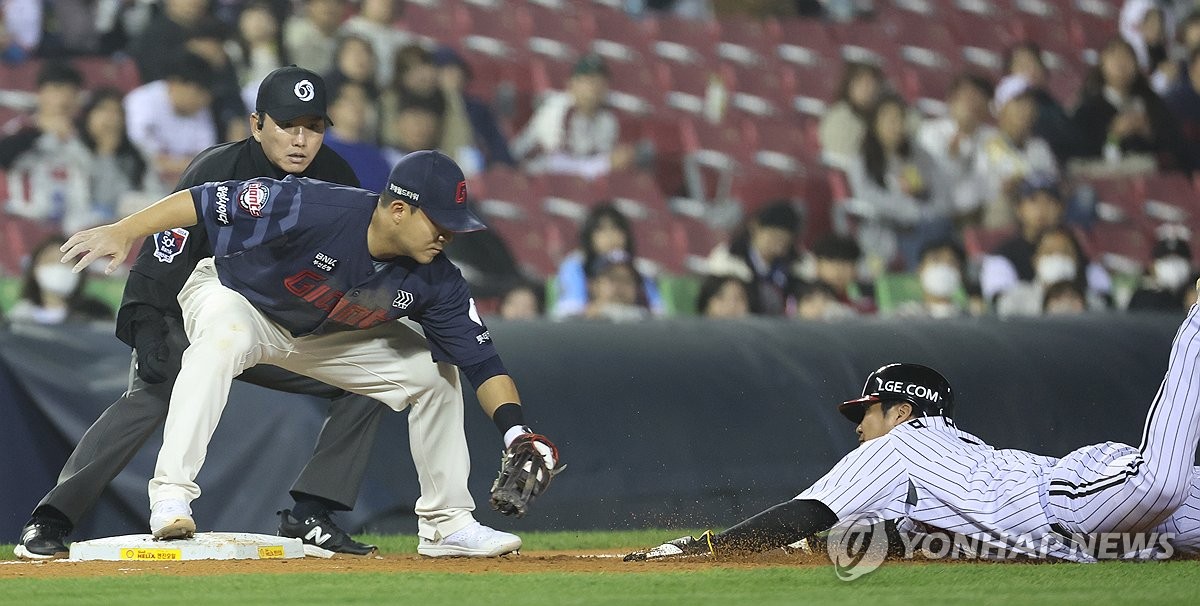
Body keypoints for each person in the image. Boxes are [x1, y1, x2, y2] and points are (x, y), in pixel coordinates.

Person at [60, 149, 559, 558]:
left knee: (435, 373)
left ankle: (446, 524)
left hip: (322, 337)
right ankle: (171, 494)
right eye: (440, 221)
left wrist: (517, 431)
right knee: (222, 338)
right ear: (399, 208)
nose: (448, 234)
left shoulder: (438, 278)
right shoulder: (312, 205)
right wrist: (124, 230)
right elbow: (203, 199)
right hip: (237, 297)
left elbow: (481, 360)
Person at [13, 67, 379, 562]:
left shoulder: (338, 179)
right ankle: (51, 518)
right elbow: (168, 250)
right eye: (288, 124)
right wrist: (146, 322)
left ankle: (312, 511)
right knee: (150, 393)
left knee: (373, 376)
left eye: (313, 127)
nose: (300, 139)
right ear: (256, 124)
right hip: (200, 315)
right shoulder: (218, 168)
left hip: (284, 328)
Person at [627, 356, 1200, 562]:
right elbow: (895, 539)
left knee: (1160, 482)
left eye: (867, 413)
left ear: (902, 413)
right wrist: (822, 547)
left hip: (1076, 499)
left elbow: (808, 512)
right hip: (1107, 529)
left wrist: (710, 547)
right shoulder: (949, 455)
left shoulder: (902, 445)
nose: (860, 429)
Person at [844, 94, 953, 274]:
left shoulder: (918, 155)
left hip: (926, 223)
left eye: (900, 118)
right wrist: (909, 208)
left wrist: (923, 196)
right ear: (874, 123)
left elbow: (941, 193)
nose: (896, 126)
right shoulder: (862, 160)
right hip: (885, 228)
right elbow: (866, 195)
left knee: (945, 231)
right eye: (889, 120)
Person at [0, 61, 94, 231]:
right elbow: (4, 156)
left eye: (71, 93)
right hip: (27, 220)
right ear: (41, 93)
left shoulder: (86, 136)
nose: (64, 100)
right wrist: (41, 130)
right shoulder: (22, 128)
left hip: (77, 224)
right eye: (57, 91)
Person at [510, 53, 635, 179]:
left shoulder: (608, 121)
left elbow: (595, 170)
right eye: (589, 81)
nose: (595, 88)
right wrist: (605, 163)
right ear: (572, 84)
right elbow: (555, 164)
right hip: (525, 174)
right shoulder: (556, 108)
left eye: (601, 82)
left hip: (570, 187)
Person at [1072, 37, 1188, 173]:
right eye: (1114, 57)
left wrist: (1147, 130)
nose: (1121, 63)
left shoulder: (1152, 102)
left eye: (1127, 57)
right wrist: (1114, 134)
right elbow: (1080, 155)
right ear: (1102, 64)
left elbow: (1177, 147)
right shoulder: (1088, 108)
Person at [964, 75, 1058, 230]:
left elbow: (1051, 182)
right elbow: (977, 190)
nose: (1025, 109)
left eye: (1029, 103)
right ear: (1001, 108)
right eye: (1018, 102)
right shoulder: (985, 141)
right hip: (996, 211)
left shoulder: (1040, 147)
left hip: (1036, 210)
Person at [123, 51, 219, 187]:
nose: (204, 101)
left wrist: (172, 164)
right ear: (175, 83)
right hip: (138, 178)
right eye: (198, 93)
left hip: (181, 183)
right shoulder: (141, 100)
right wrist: (178, 164)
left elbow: (206, 159)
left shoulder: (200, 111)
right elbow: (140, 146)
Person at [553, 203, 663, 319]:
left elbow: (658, 313)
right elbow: (570, 314)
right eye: (601, 229)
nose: (610, 235)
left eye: (616, 228)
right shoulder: (575, 265)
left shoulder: (640, 269)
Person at [979, 173, 1068, 304]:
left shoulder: (1077, 251)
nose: (1042, 208)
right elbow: (1001, 306)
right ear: (1019, 209)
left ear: (1061, 208)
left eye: (1049, 201)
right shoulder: (1002, 256)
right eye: (1033, 200)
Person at [705, 201, 804, 316]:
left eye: (784, 240)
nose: (778, 245)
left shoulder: (797, 265)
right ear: (755, 227)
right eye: (773, 237)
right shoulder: (728, 259)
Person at [78, 88, 160, 221]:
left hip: (128, 223)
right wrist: (105, 153)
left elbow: (153, 192)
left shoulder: (137, 154)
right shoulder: (72, 150)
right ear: (88, 116)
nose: (111, 118)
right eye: (103, 110)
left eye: (117, 112)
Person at [994, 227, 1111, 318]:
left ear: (1076, 261)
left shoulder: (1093, 303)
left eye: (1065, 252)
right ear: (1036, 260)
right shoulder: (1015, 300)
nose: (1058, 257)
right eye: (1049, 252)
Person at [7, 234, 113, 325]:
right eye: (50, 260)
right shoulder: (19, 319)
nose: (58, 267)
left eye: (67, 261)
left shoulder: (97, 314)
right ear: (35, 269)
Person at [1003, 42, 1078, 163]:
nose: (1031, 69)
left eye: (1035, 63)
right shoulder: (1001, 107)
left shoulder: (1054, 109)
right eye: (1023, 65)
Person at [323, 79, 390, 193]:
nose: (358, 106)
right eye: (350, 100)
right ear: (332, 109)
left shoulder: (378, 157)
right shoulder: (319, 150)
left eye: (363, 100)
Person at [818, 61, 884, 168]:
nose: (866, 88)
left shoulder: (880, 115)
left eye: (871, 82)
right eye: (860, 82)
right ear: (849, 84)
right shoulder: (838, 118)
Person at [890, 239, 973, 319]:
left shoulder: (970, 317)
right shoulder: (904, 315)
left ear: (960, 274)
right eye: (936, 260)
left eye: (951, 262)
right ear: (920, 270)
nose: (943, 267)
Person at [1128, 228, 1195, 312]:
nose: (1173, 267)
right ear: (1153, 266)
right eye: (1166, 260)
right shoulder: (1142, 297)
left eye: (1178, 260)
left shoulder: (1195, 296)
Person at [283, 0, 345, 77]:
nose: (331, 7)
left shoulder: (345, 37)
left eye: (337, 2)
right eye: (325, 2)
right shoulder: (294, 32)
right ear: (310, 5)